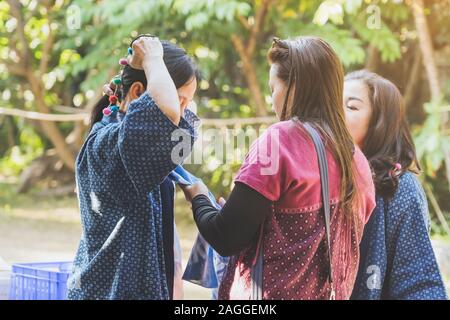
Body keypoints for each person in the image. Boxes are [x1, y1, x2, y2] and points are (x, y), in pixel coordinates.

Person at [181, 37, 376, 300]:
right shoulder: (357, 162)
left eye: (273, 88)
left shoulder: (281, 142)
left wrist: (199, 196)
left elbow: (225, 237)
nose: (271, 99)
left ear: (294, 87)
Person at [68, 35, 200, 300]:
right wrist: (152, 56)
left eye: (186, 103)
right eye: (179, 100)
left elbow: (176, 128)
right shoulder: (110, 142)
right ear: (139, 92)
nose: (181, 112)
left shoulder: (128, 139)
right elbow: (166, 112)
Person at [344, 70, 448, 300]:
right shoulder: (313, 177)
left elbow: (418, 284)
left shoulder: (400, 188)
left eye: (351, 106)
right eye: (332, 104)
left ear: (379, 123)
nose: (335, 114)